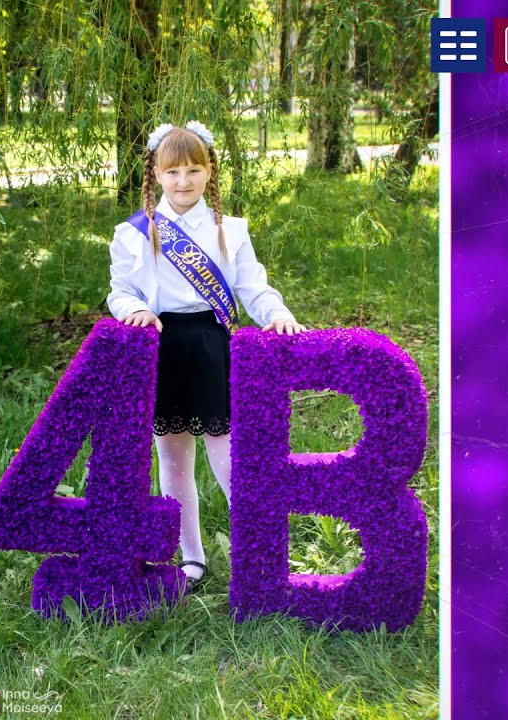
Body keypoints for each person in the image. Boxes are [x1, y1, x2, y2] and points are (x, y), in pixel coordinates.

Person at [107, 121, 306, 590]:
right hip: (161, 347)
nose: (183, 181)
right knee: (173, 463)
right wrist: (135, 309)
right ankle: (191, 558)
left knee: (231, 460)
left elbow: (252, 287)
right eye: (173, 171)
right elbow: (120, 291)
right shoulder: (134, 233)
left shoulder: (229, 231)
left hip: (210, 347)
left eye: (193, 170)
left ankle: (263, 557)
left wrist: (275, 313)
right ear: (156, 174)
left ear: (209, 171)